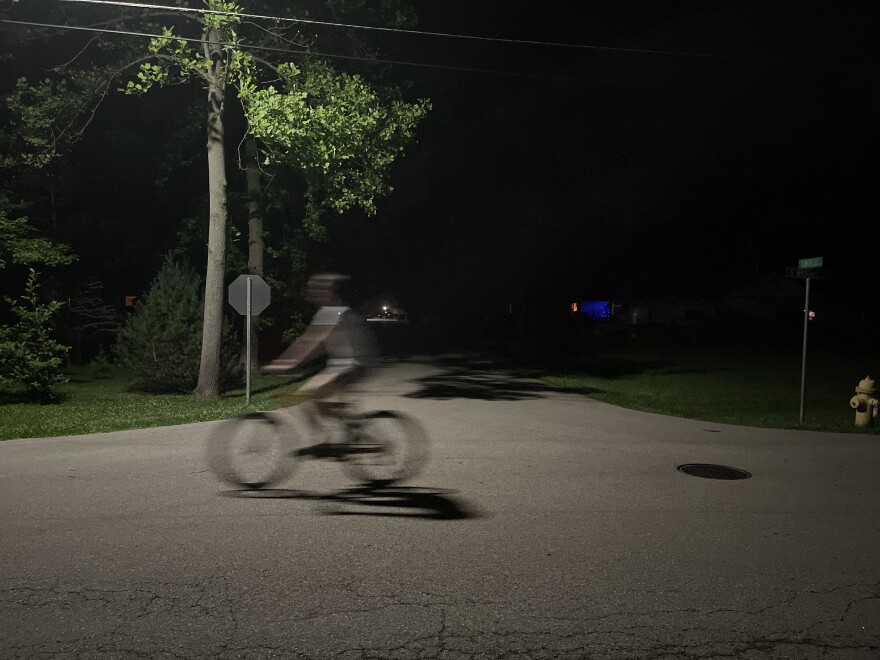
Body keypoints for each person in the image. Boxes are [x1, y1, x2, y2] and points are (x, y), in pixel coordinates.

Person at [262, 273, 378, 416]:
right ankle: (345, 426)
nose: (313, 294)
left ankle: (342, 432)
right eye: (312, 290)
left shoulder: (332, 312)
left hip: (356, 364)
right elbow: (318, 345)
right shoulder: (329, 312)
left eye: (318, 289)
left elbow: (311, 342)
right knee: (313, 396)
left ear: (330, 292)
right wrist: (292, 362)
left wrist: (284, 363)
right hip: (342, 365)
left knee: (309, 393)